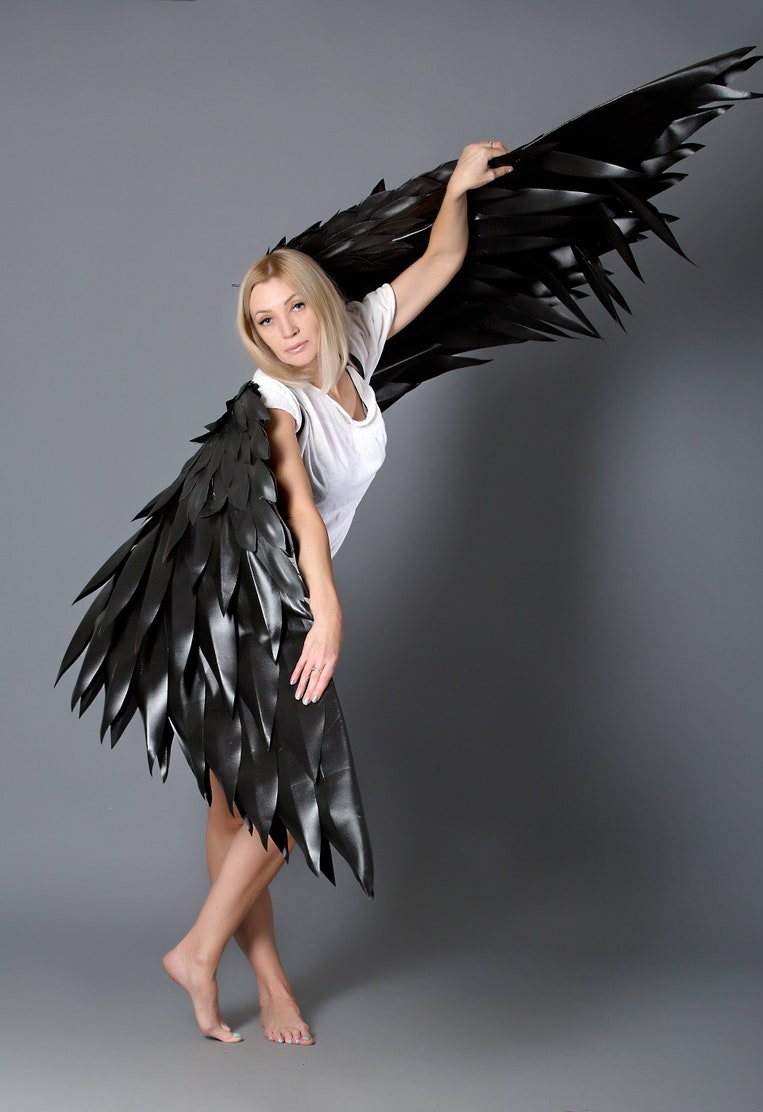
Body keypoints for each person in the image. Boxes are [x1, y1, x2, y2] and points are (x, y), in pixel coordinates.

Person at [162, 141, 513, 1045]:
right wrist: (328, 610)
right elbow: (299, 512)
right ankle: (200, 952)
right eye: (264, 319)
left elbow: (441, 259)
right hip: (239, 598)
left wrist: (458, 187)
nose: (285, 330)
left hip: (272, 591)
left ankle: (260, 979)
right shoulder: (273, 397)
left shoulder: (354, 336)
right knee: (277, 804)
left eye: (292, 308)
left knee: (237, 806)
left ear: (317, 302)